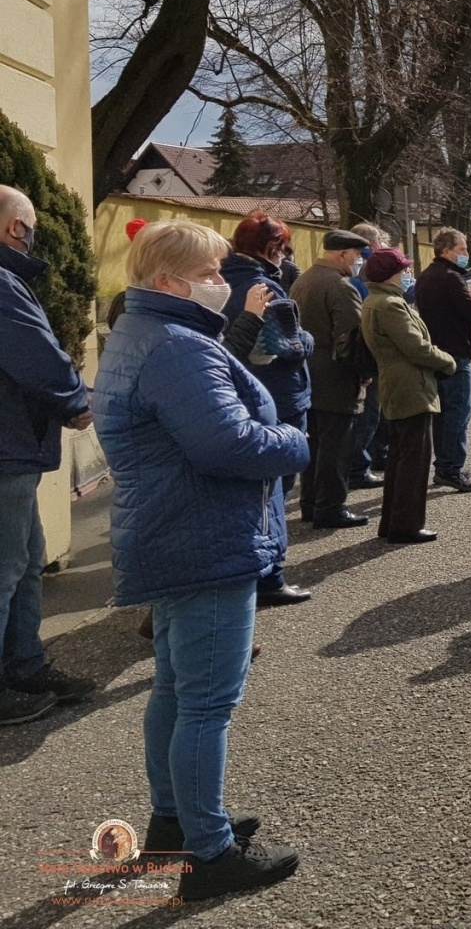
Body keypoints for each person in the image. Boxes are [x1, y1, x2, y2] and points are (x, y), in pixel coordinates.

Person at [93, 220, 307, 899]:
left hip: (175, 529)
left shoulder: (144, 332)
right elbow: (230, 446)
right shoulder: (178, 347)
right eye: (214, 272)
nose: (224, 282)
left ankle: (172, 823)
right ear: (169, 282)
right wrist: (295, 440)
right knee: (207, 701)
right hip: (201, 535)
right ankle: (207, 853)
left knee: (175, 689)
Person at [0, 185, 96, 726]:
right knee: (8, 567)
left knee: (26, 562)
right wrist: (76, 401)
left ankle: (24, 666)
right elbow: (35, 353)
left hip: (13, 444)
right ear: (18, 228)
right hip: (6, 446)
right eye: (29, 227)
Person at [220, 212, 315, 606]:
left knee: (255, 494)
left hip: (242, 395)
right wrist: (308, 339)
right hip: (278, 397)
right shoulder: (264, 289)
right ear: (273, 248)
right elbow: (287, 348)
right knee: (274, 493)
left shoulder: (222, 282)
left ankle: (257, 573)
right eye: (284, 248)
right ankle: (269, 577)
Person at [360, 248, 457, 544]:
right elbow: (414, 346)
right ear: (391, 274)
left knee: (401, 458)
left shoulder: (377, 301)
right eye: (402, 270)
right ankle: (406, 525)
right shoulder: (390, 304)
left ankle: (392, 522)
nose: (406, 275)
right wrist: (447, 361)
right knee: (413, 461)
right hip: (410, 386)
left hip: (398, 385)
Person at [289, 229, 371, 529]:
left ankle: (311, 503)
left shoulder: (304, 279)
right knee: (336, 447)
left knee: (315, 444)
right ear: (342, 254)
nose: (359, 261)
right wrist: (362, 374)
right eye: (357, 255)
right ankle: (331, 507)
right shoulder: (340, 286)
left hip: (308, 373)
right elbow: (349, 337)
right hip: (335, 376)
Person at [416, 228, 471, 493]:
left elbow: (450, 309)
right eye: (461, 250)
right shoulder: (451, 278)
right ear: (446, 251)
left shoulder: (426, 275)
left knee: (443, 416)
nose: (466, 255)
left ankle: (445, 466)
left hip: (435, 354)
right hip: (455, 356)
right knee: (457, 414)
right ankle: (451, 468)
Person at [343, 222, 389, 491]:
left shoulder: (355, 273)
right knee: (368, 413)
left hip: (362, 355)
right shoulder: (367, 274)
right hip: (367, 356)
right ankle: (357, 467)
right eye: (380, 241)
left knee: (371, 413)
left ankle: (366, 460)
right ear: (371, 244)